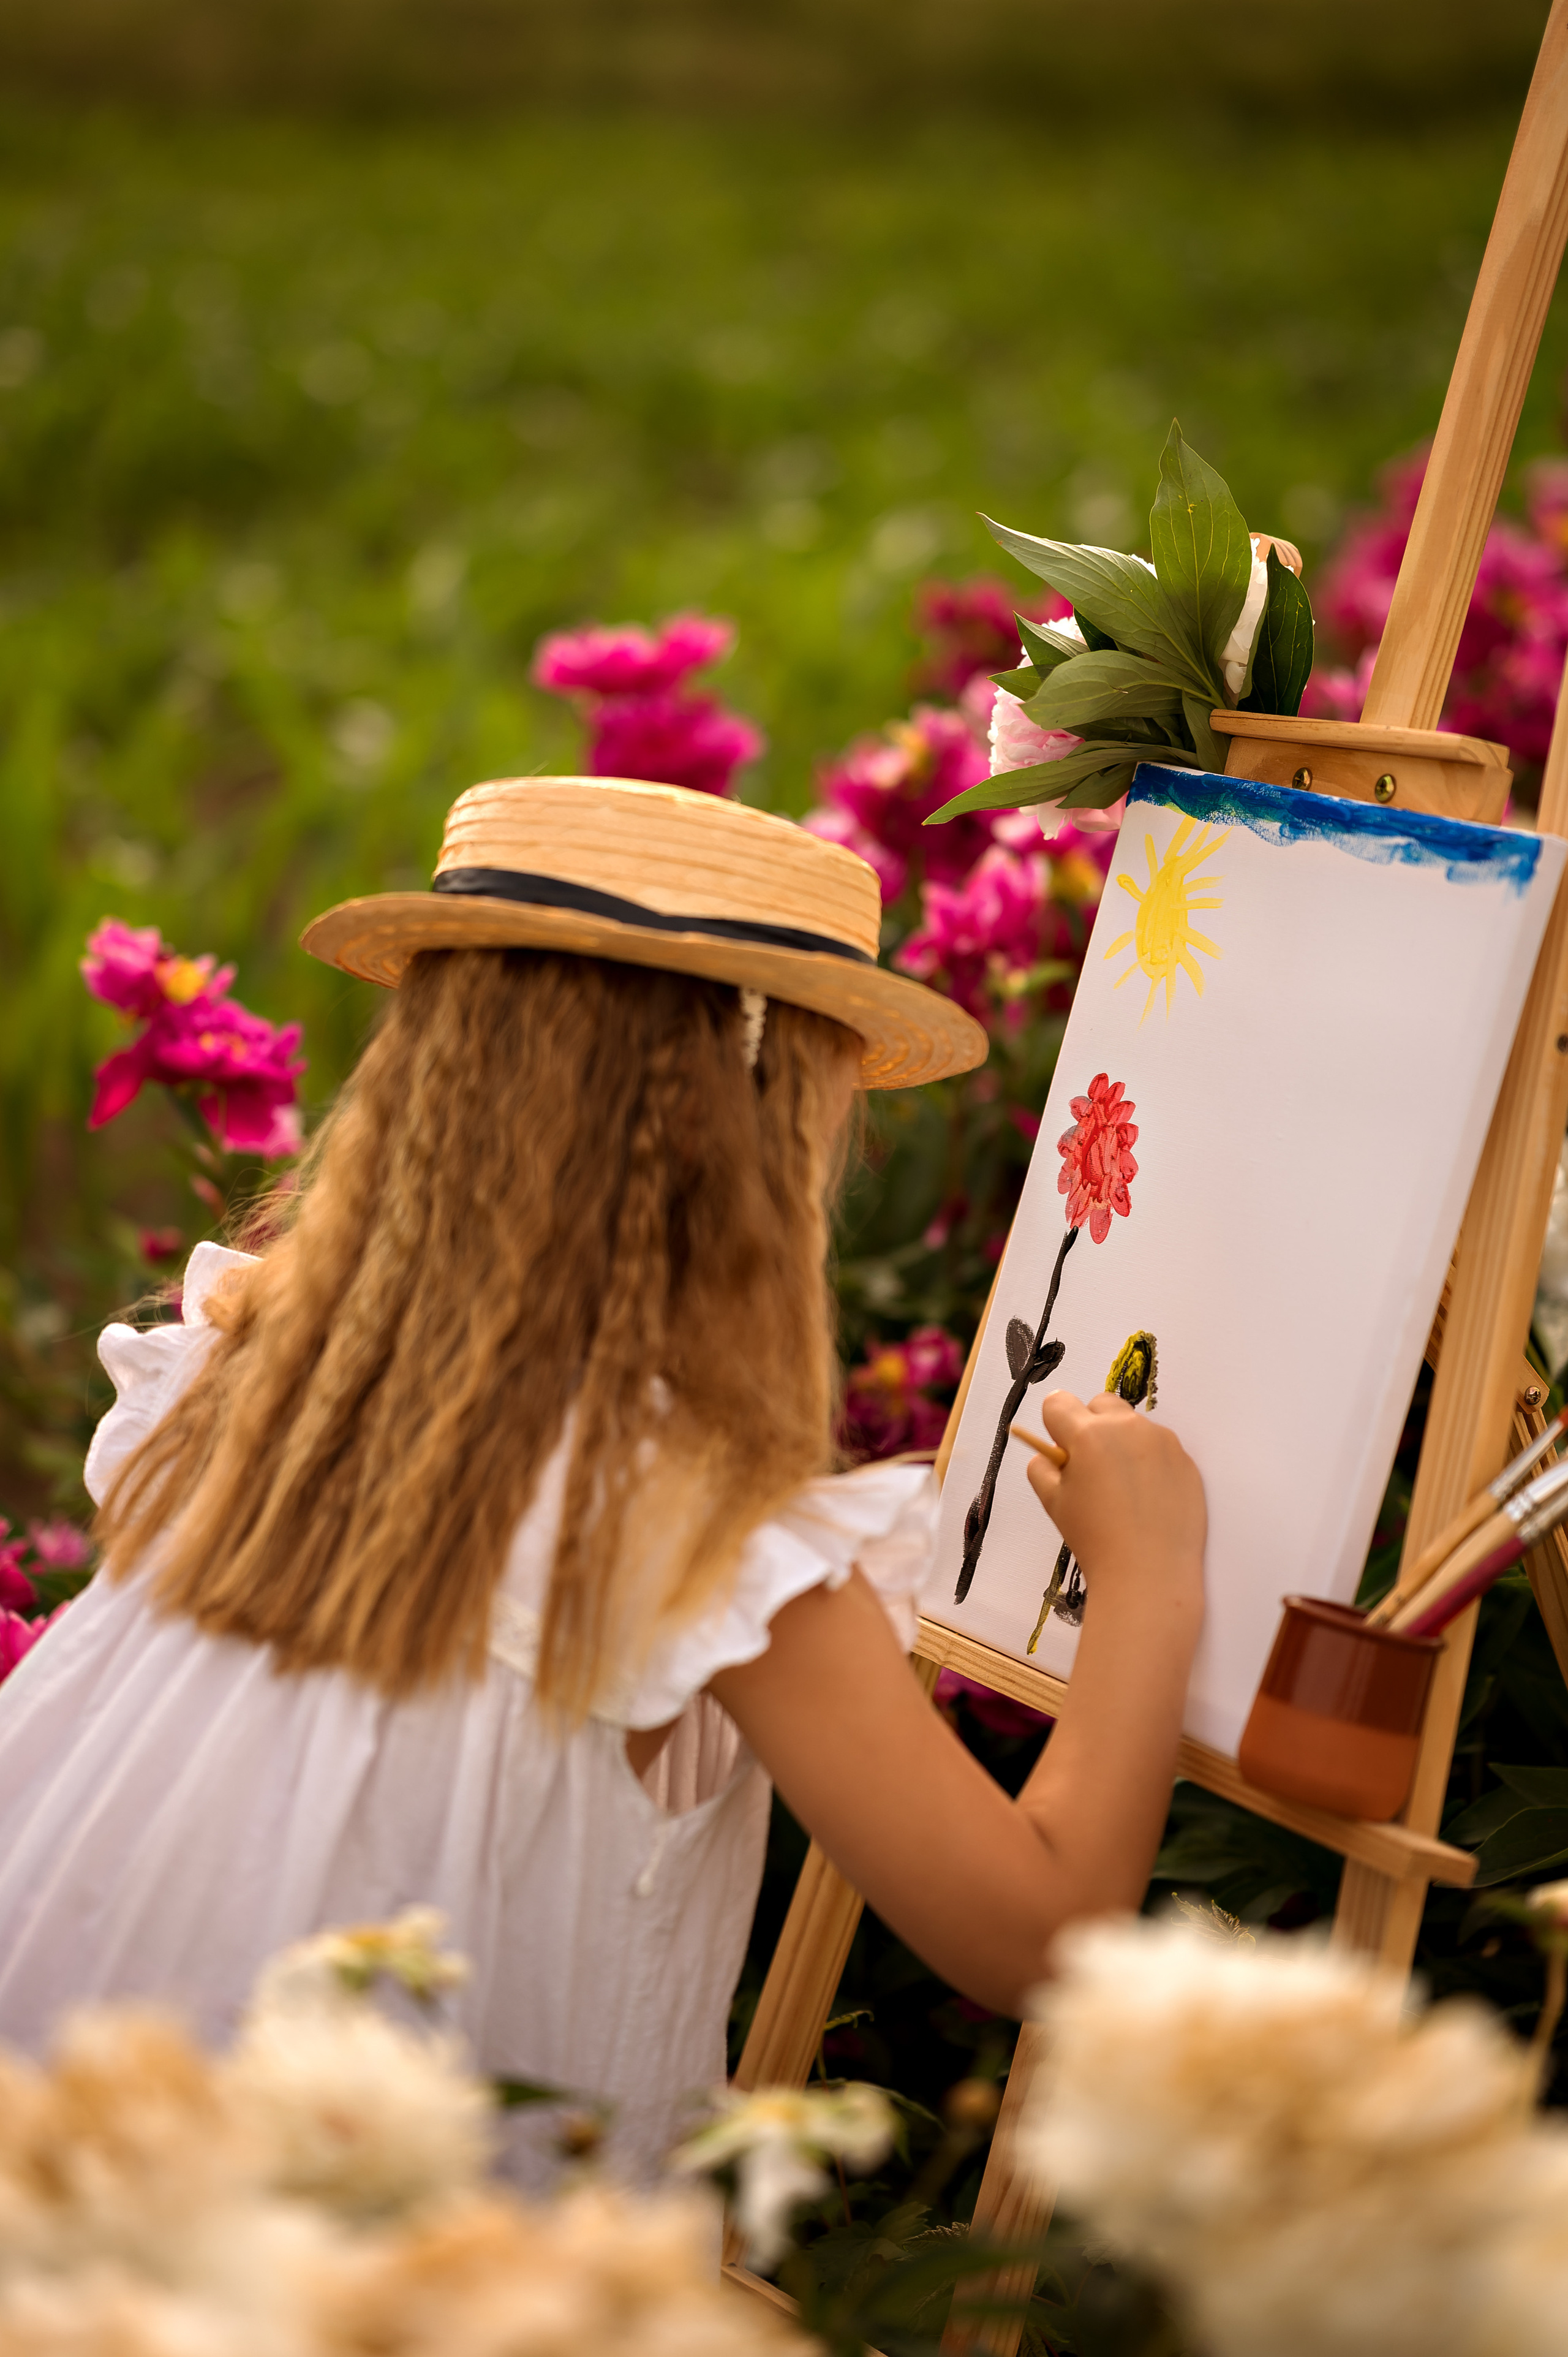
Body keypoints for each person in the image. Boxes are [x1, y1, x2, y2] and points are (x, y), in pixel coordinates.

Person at [0, 775, 1205, 2183]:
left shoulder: (237, 1374)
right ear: (747, 1142)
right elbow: (1038, 1941)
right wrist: (1148, 1584)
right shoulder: (694, 1544)